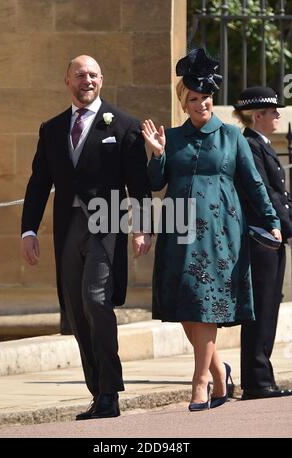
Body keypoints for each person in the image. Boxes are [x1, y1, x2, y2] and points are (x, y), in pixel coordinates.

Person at [142, 48, 281, 411]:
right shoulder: (171, 138)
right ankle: (220, 372)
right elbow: (155, 183)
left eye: (205, 97)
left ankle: (200, 380)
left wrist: (271, 221)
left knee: (206, 304)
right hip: (178, 231)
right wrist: (156, 154)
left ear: (211, 99)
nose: (201, 103)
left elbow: (253, 183)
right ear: (183, 103)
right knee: (188, 304)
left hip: (221, 234)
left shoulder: (233, 137)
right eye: (193, 98)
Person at [21, 55, 152, 419]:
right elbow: (37, 184)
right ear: (67, 81)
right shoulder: (51, 129)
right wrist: (28, 230)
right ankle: (98, 392)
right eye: (80, 75)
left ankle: (110, 391)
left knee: (96, 300)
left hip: (106, 224)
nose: (87, 80)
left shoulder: (124, 125)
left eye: (93, 74)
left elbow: (138, 185)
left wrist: (142, 226)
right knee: (76, 312)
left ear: (102, 80)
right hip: (68, 228)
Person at [233, 86, 292, 400]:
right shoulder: (250, 146)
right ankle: (257, 382)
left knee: (269, 308)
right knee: (262, 309)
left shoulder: (260, 144)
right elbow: (265, 196)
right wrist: (288, 227)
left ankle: (262, 378)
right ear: (257, 116)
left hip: (271, 238)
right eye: (273, 112)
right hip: (261, 239)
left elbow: (279, 196)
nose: (279, 116)